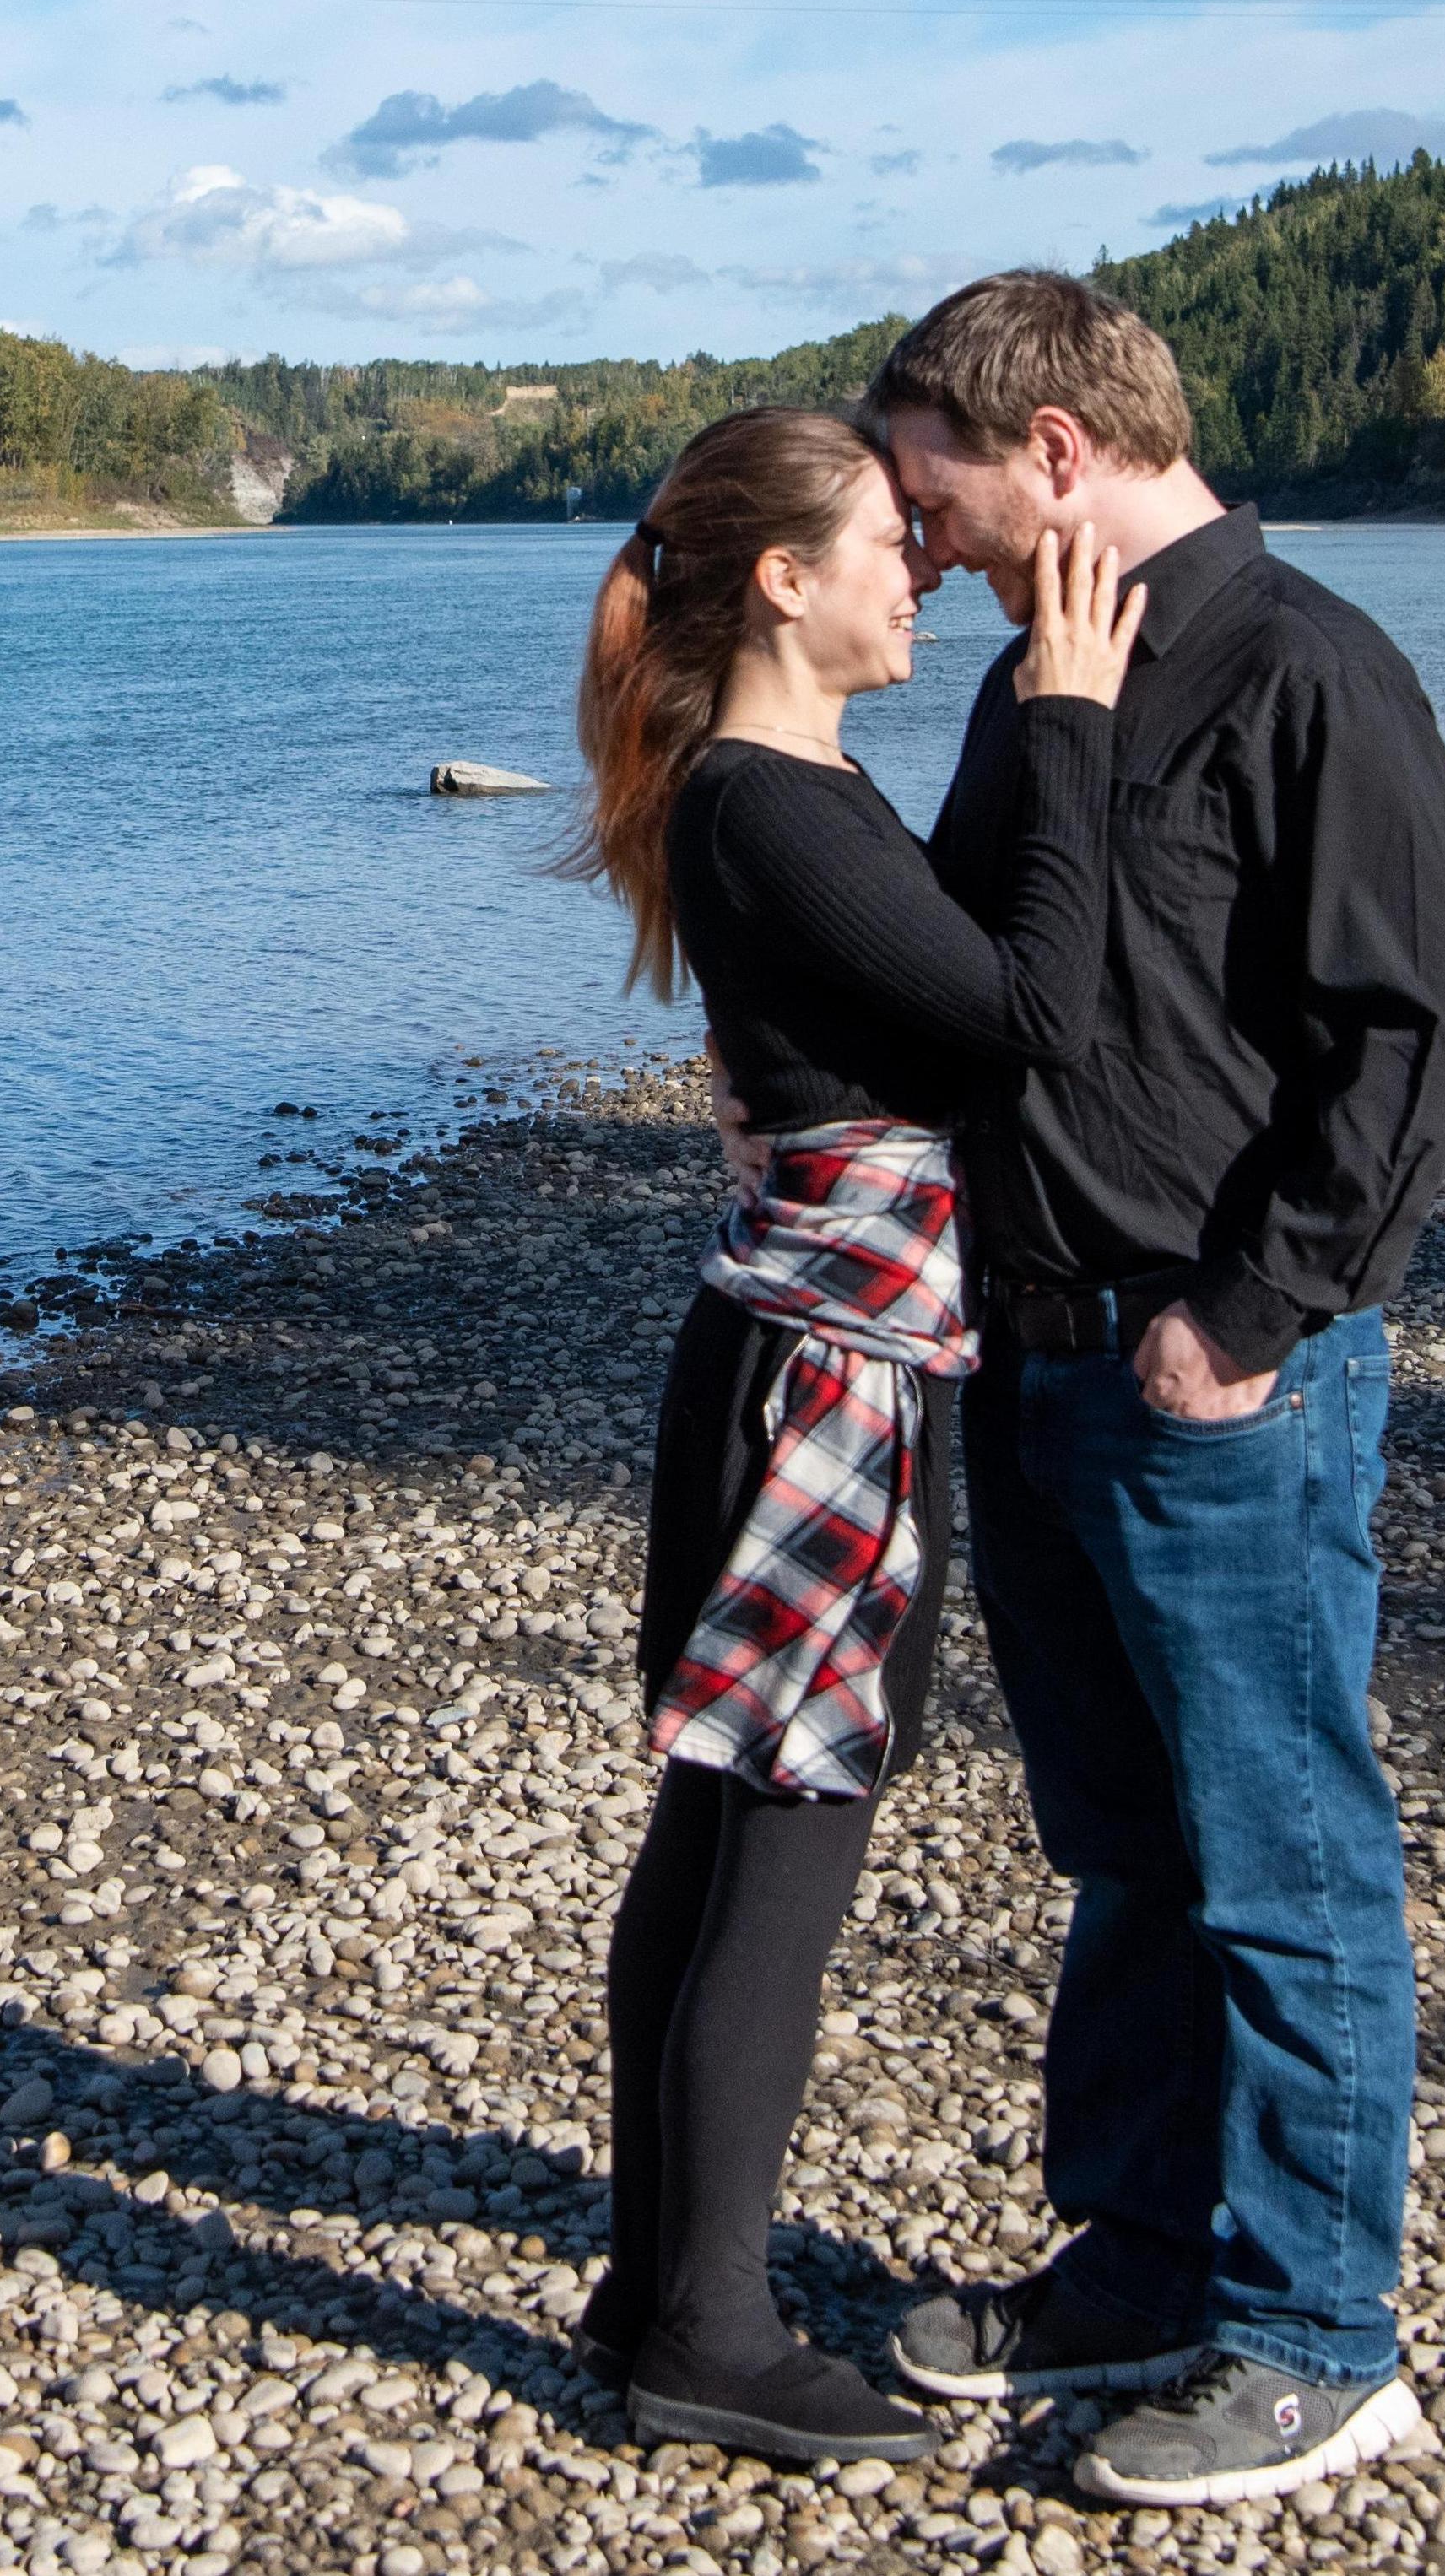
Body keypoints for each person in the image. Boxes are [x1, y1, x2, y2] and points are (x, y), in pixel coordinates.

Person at [826, 272, 1445, 2508]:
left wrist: (1244, 1312)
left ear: (1039, 446)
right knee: (1119, 1846)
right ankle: (1132, 2262)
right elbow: (985, 974)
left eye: (913, 475)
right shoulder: (1044, 675)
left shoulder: (1304, 663)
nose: (899, 524)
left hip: (1206, 1373)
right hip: (1024, 1352)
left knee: (1275, 1856)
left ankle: (1317, 2332)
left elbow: (1414, 1048)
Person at [562, 403, 1146, 2463]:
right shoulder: (769, 800)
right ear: (784, 582)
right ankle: (706, 2328)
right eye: (888, 538)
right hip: (822, 1372)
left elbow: (935, 997)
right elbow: (1027, 1023)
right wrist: (1067, 719)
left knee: (723, 1826)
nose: (923, 565)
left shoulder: (787, 785)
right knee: (782, 1846)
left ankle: (656, 2280)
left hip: (794, 1345)